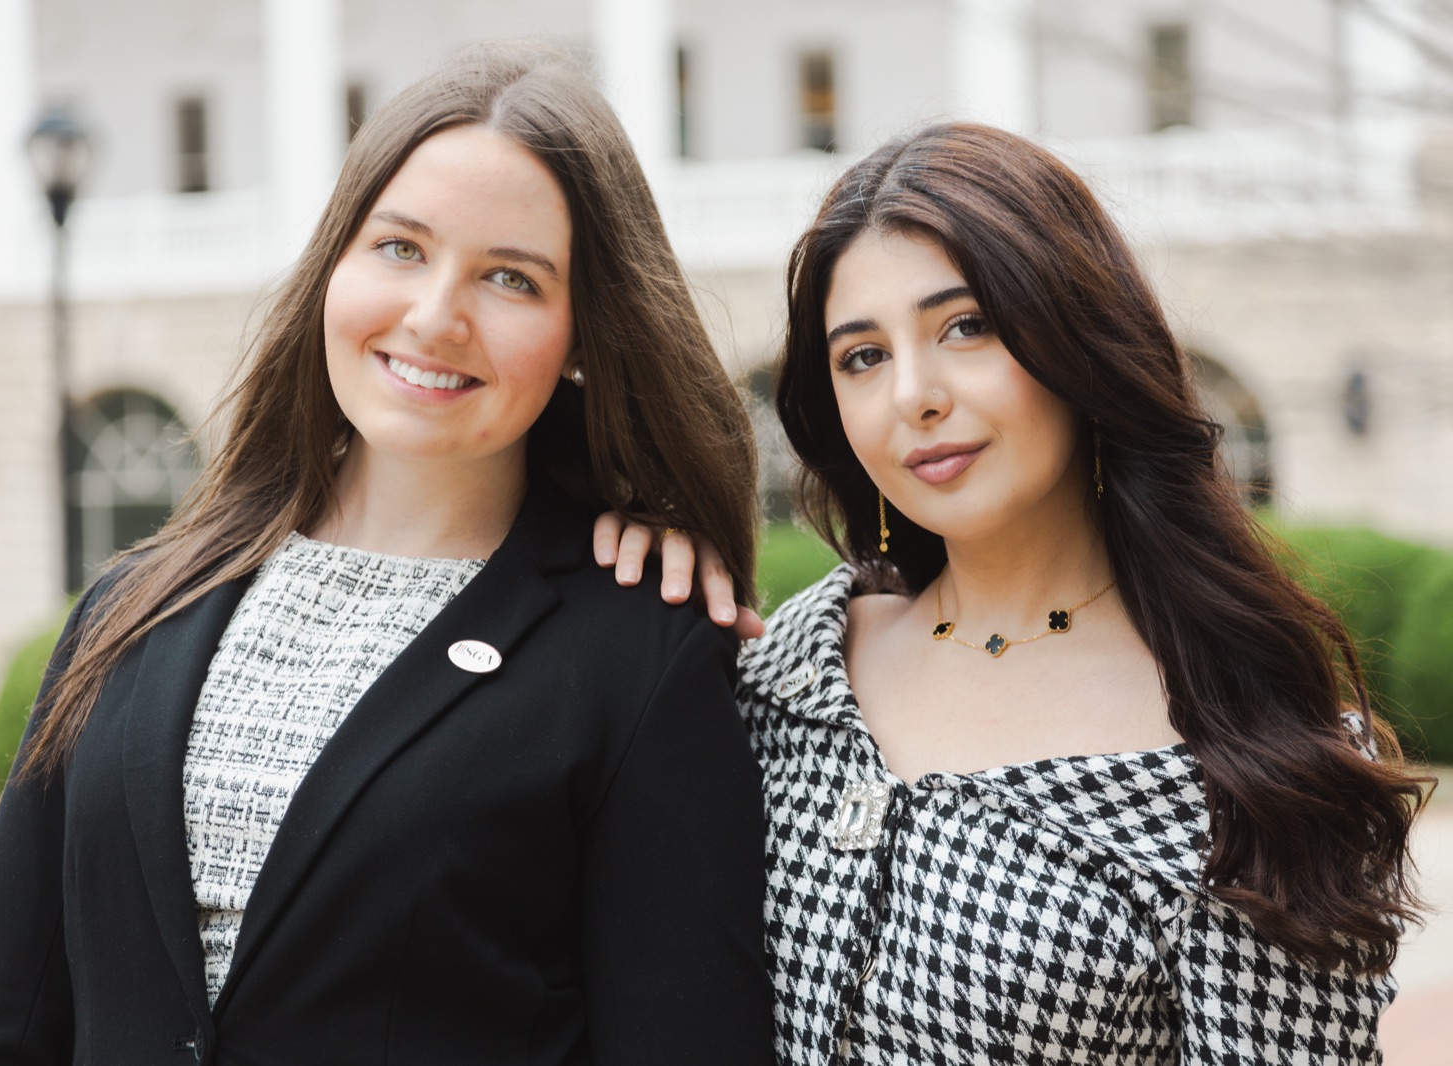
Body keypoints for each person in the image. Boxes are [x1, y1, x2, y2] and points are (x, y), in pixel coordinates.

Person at [0, 44, 774, 1066]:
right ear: (335, 261)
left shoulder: (637, 651)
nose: (434, 317)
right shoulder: (128, 610)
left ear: (584, 331)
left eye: (510, 277)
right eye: (400, 248)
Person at [601, 122, 1427, 1063]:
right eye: (861, 356)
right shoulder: (784, 668)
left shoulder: (1248, 756)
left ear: (1077, 341)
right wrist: (613, 569)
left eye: (968, 326)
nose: (914, 393)